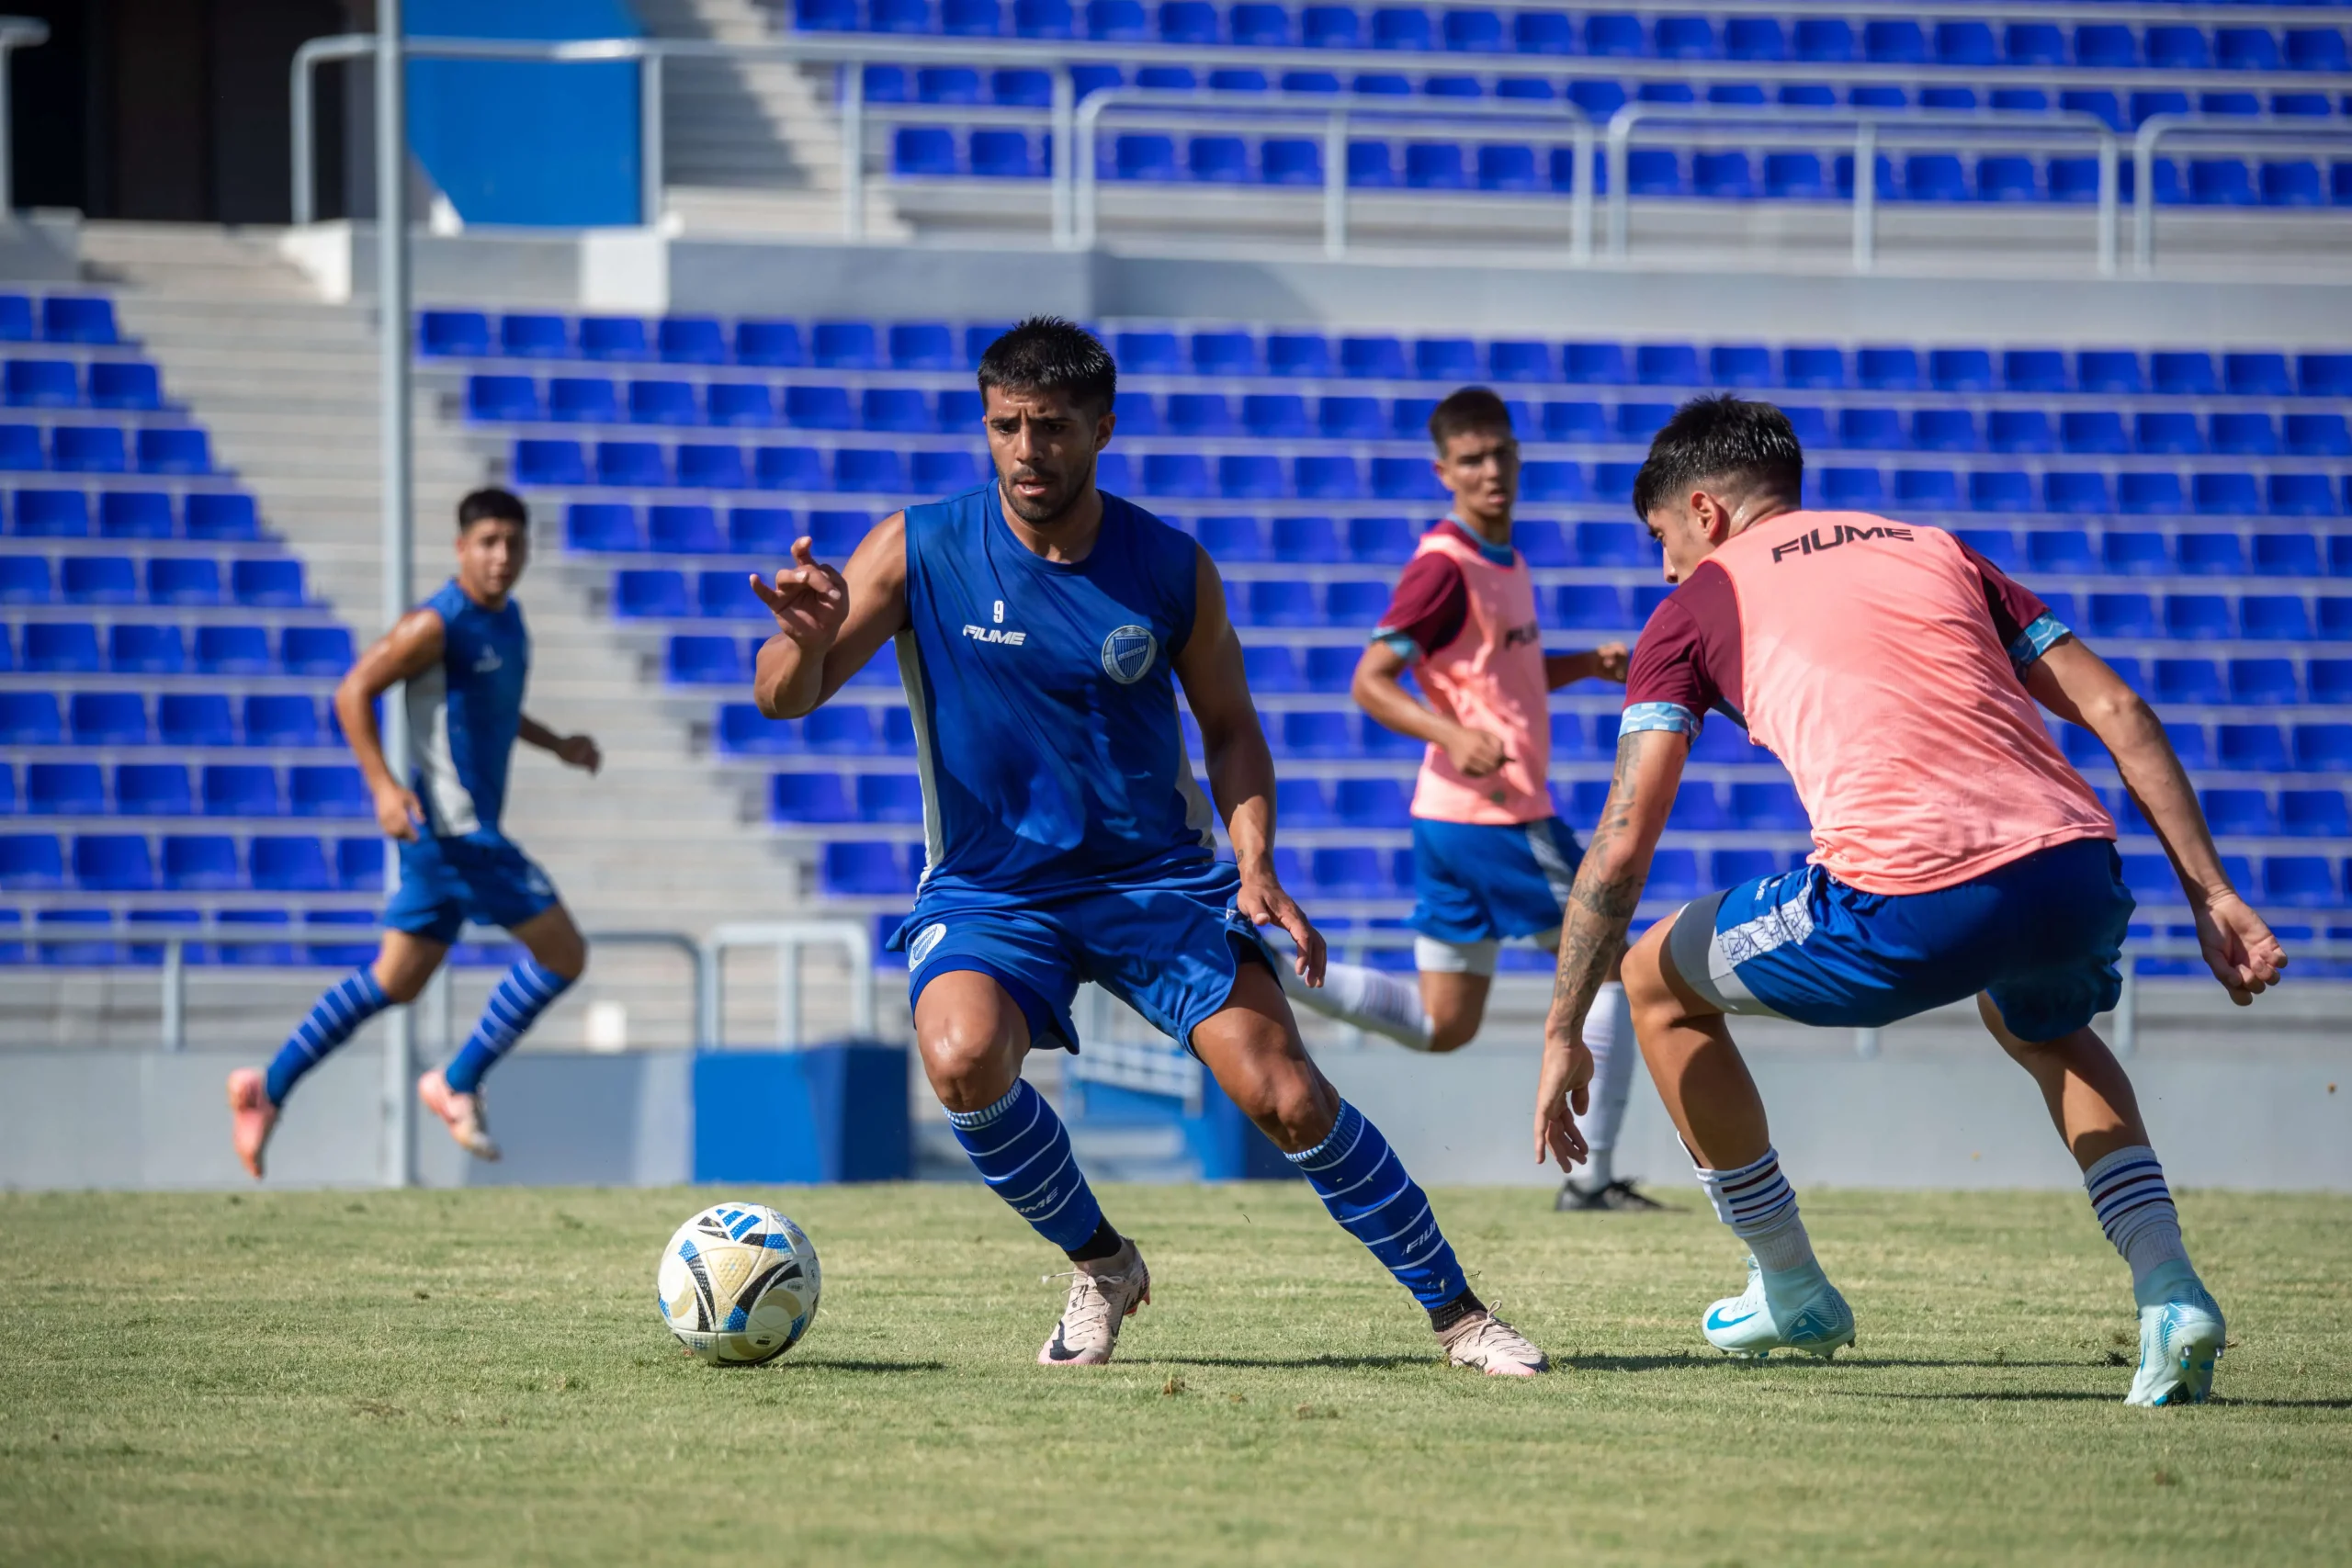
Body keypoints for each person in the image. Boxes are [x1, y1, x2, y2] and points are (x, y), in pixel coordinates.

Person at [749, 318, 1545, 1374]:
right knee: (959, 1059)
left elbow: (1230, 732)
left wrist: (1257, 865)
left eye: (1051, 428)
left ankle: (1459, 1316)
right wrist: (801, 641)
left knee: (1286, 1096)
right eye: (1005, 427)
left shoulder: (1169, 566)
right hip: (993, 890)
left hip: (1158, 881)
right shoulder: (918, 547)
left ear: (1103, 427)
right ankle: (1101, 1265)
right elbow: (781, 700)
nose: (1027, 451)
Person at [1533, 395, 2283, 1406]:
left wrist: (1560, 1028)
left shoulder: (1693, 603)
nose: (1663, 567)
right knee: (2045, 1025)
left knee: (1652, 979)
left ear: (1703, 513)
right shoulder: (1936, 547)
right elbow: (2118, 708)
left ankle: (1789, 1284)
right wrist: (2215, 895)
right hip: (2072, 869)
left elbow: (1623, 842)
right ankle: (2170, 1291)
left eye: (1661, 538)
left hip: (1907, 898)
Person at [1280, 387, 1653, 1213]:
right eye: (1473, 459)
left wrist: (1580, 667)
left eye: (1502, 454)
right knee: (1618, 961)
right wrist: (1450, 736)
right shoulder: (1442, 565)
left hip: (1447, 821)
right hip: (1500, 815)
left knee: (1446, 1024)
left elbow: (1493, 672)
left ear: (1518, 459)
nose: (1491, 471)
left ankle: (1272, 968)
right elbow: (1370, 682)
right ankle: (1589, 1184)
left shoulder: (1504, 560)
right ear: (1444, 469)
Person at [226, 488, 602, 1178]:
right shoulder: (435, 624)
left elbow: (497, 708)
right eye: (487, 541)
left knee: (391, 982)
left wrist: (560, 746)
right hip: (457, 836)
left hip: (446, 839)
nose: (502, 555)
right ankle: (457, 1080)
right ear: (461, 548)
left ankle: (265, 1089)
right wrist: (381, 786)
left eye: (513, 542)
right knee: (565, 954)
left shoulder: (508, 621)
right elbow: (353, 690)